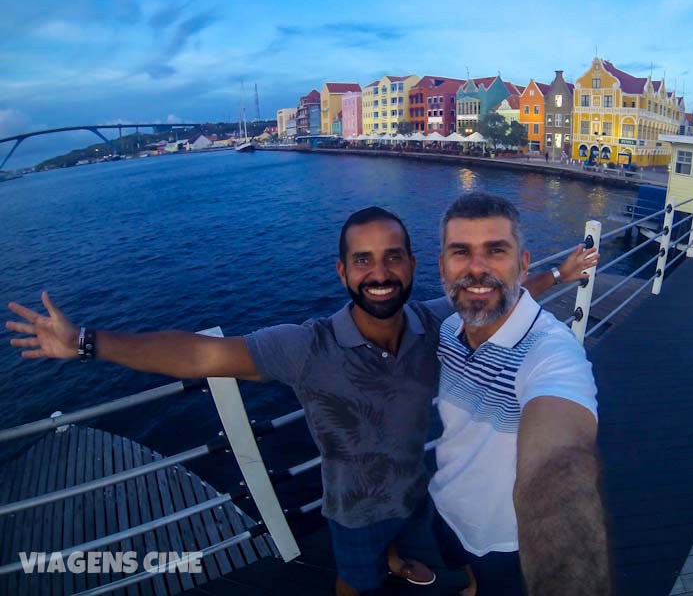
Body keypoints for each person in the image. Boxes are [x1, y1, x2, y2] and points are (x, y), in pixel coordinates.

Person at [6, 206, 598, 596]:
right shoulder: (307, 347)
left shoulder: (432, 322)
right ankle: (380, 566)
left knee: (431, 549)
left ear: (416, 266)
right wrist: (87, 343)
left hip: (422, 493)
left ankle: (409, 563)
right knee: (355, 580)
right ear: (343, 273)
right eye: (363, 261)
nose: (380, 273)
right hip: (355, 507)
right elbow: (203, 356)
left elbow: (488, 296)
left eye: (393, 257)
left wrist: (559, 275)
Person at [430, 193, 610, 596]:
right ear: (442, 267)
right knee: (464, 575)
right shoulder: (448, 331)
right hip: (445, 503)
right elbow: (494, 292)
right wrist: (560, 276)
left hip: (503, 537)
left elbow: (559, 452)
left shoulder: (552, 353)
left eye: (496, 251)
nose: (477, 269)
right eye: (461, 252)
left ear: (522, 263)